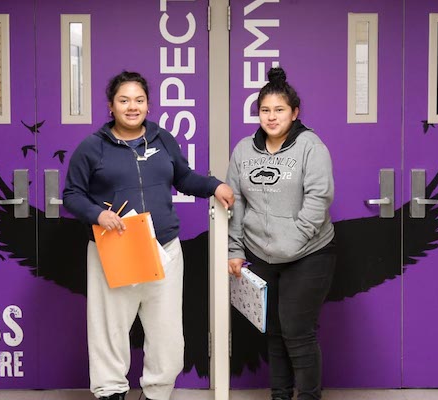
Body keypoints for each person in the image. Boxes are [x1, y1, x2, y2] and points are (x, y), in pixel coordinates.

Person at [63, 70, 234, 400]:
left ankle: (157, 392)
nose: (132, 107)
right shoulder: (92, 148)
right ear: (111, 106)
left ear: (148, 105)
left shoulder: (162, 139)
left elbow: (183, 177)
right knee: (109, 330)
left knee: (167, 332)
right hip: (113, 248)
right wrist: (98, 214)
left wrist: (216, 186)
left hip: (164, 248)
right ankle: (111, 392)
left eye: (139, 100)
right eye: (124, 100)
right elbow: (72, 194)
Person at [226, 67, 336, 400]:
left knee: (297, 332)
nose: (272, 117)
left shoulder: (310, 146)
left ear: (294, 113)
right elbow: (237, 202)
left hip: (309, 253)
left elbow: (320, 197)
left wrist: (293, 239)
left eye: (279, 110)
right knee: (274, 332)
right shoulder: (244, 150)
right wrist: (235, 249)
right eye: (265, 110)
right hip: (262, 255)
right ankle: (279, 395)